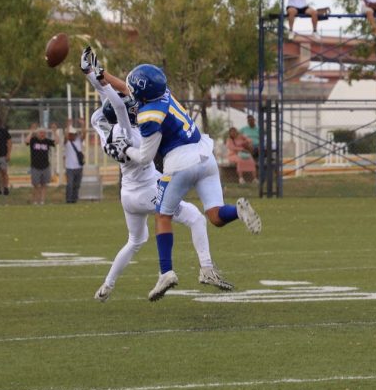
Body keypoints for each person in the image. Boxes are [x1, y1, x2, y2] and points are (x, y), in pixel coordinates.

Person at [81, 46, 261, 302]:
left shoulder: (126, 126)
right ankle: (232, 220)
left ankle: (163, 272)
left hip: (161, 175)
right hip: (203, 154)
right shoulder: (162, 96)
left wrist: (96, 75)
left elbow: (139, 145)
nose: (130, 102)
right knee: (211, 215)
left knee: (159, 220)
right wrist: (97, 75)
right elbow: (123, 100)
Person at [26, 123, 55, 205]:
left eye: (44, 133)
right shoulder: (33, 140)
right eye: (41, 133)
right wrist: (31, 132)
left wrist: (54, 132)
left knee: (44, 185)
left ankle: (42, 201)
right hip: (35, 166)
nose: (42, 134)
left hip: (45, 166)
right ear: (37, 133)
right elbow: (26, 141)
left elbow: (57, 141)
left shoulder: (47, 141)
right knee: (36, 185)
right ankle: (35, 200)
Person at [64, 123, 85, 203]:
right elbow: (65, 137)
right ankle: (69, 199)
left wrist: (82, 124)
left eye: (73, 134)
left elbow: (84, 134)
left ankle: (74, 199)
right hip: (69, 167)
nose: (72, 136)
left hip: (78, 167)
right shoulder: (67, 143)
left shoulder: (78, 141)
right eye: (71, 134)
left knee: (77, 184)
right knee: (70, 184)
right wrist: (68, 126)